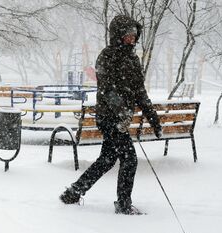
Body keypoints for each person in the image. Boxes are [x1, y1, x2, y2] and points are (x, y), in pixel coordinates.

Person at [59, 15, 162, 215]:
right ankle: (123, 205)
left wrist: (154, 119)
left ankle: (74, 191)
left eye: (134, 35)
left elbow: (140, 92)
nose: (132, 39)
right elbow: (107, 90)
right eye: (128, 35)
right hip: (109, 119)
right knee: (130, 158)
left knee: (107, 159)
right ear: (118, 35)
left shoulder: (133, 59)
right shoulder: (107, 56)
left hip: (121, 120)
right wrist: (120, 112)